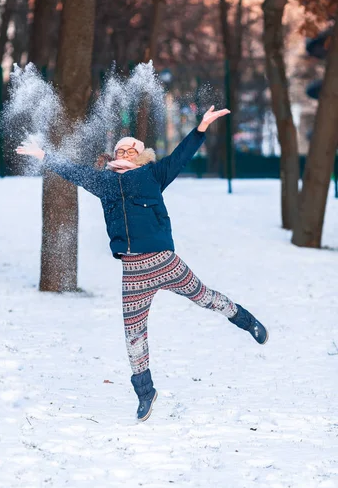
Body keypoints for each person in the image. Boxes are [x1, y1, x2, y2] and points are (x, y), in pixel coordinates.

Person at [16, 106, 268, 422]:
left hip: (164, 261)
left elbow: (181, 156)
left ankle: (244, 319)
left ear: (140, 155)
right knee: (133, 333)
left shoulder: (152, 174)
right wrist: (44, 156)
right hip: (132, 271)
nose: (124, 151)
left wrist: (201, 127)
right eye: (119, 149)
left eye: (130, 149)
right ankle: (145, 391)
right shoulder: (103, 181)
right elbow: (73, 172)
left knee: (203, 296)